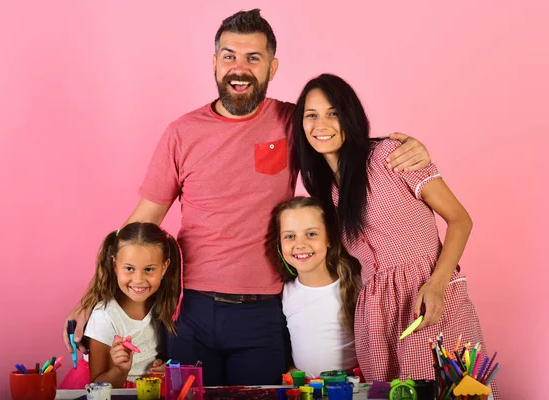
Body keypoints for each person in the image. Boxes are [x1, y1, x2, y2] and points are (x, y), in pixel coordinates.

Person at [63, 9, 431, 386]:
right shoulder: (181, 133)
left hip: (264, 312)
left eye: (253, 58)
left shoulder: (293, 121)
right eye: (229, 56)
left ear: (272, 68)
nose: (239, 68)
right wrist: (95, 293)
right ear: (214, 63)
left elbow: (338, 134)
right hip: (192, 309)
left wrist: (394, 146)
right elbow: (141, 223)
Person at [292, 73, 499, 397]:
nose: (322, 124)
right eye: (312, 115)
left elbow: (460, 220)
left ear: (350, 115)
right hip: (376, 319)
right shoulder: (326, 193)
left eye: (333, 113)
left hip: (428, 298)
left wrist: (436, 284)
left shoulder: (390, 156)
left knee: (458, 392)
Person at [60, 222, 182, 389]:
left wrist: (162, 368)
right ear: (115, 265)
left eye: (149, 270)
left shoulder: (163, 304)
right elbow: (97, 385)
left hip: (145, 390)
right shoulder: (105, 316)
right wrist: (120, 369)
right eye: (129, 268)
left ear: (164, 267)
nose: (138, 279)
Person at [267, 196, 361, 378]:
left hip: (351, 388)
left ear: (329, 239)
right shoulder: (283, 294)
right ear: (279, 243)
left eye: (311, 234)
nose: (300, 244)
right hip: (306, 390)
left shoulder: (356, 285)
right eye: (289, 236)